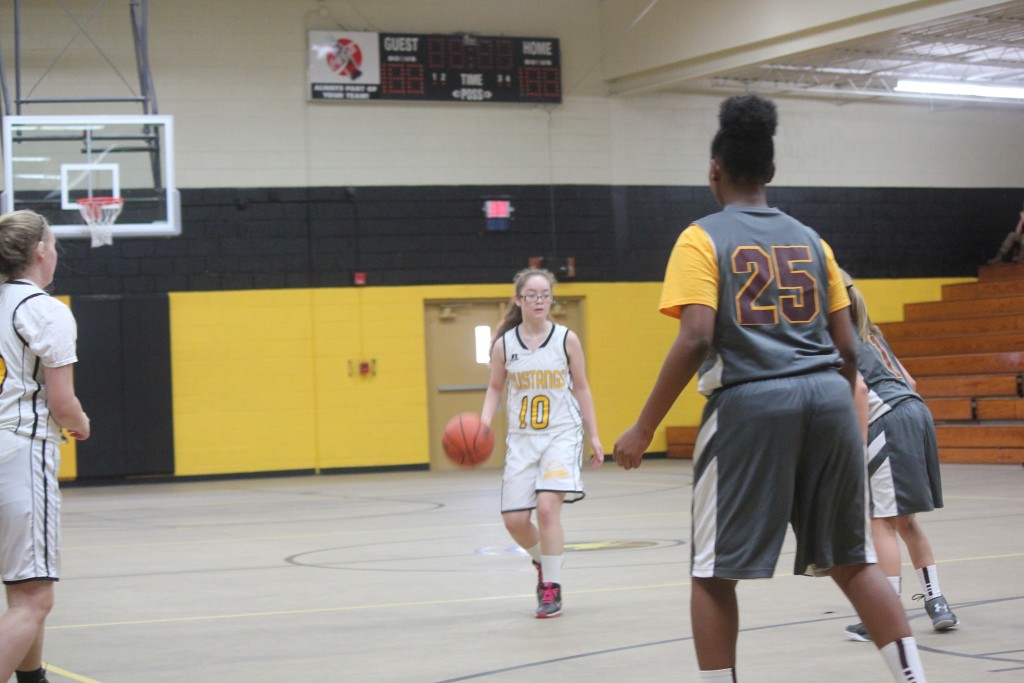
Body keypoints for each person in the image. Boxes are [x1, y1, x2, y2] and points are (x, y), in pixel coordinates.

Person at [612, 94, 927, 682]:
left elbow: (696, 336)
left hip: (750, 405)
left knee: (712, 572)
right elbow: (851, 348)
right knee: (853, 560)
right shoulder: (813, 241)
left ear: (714, 171)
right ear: (771, 173)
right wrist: (834, 408)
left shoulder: (701, 238)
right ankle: (914, 678)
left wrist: (644, 425)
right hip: (830, 397)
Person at [841, 270, 958, 642]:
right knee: (906, 520)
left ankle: (884, 615)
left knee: (882, 521)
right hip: (917, 413)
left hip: (888, 421)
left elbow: (859, 390)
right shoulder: (871, 333)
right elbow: (911, 381)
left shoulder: (837, 337)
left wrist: (858, 450)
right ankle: (936, 600)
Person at [480, 267, 603, 619]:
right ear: (518, 300)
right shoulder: (505, 344)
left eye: (545, 295)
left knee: (547, 509)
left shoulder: (566, 339)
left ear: (551, 300)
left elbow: (582, 387)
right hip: (521, 439)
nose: (539, 301)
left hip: (561, 434)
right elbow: (494, 388)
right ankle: (542, 563)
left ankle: (551, 588)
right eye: (531, 295)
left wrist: (593, 434)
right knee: (515, 521)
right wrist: (484, 423)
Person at [0, 210, 90, 683]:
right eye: (53, 244)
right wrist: (81, 423)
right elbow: (62, 402)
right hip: (18, 453)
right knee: (35, 599)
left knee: (22, 590)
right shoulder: (45, 310)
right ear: (40, 251)